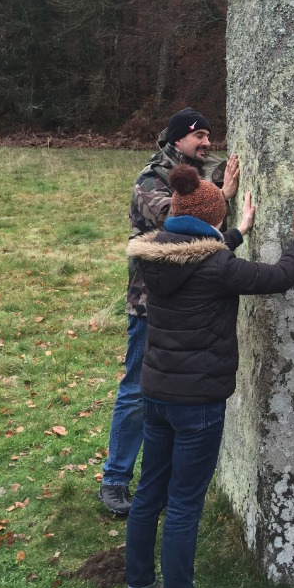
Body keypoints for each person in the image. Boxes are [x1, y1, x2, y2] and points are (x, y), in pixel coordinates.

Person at [123, 164, 294, 588]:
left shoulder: (154, 253)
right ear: (211, 222)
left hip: (155, 394)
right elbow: (277, 277)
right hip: (196, 401)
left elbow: (201, 263)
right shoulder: (215, 265)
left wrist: (236, 231)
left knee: (150, 491)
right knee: (183, 505)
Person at [98, 108, 239, 515]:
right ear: (178, 139)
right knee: (136, 391)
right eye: (199, 136)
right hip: (150, 305)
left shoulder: (198, 177)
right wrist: (222, 199)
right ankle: (115, 480)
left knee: (165, 396)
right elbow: (179, 219)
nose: (208, 143)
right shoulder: (151, 179)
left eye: (210, 136)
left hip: (186, 303)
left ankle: (158, 483)